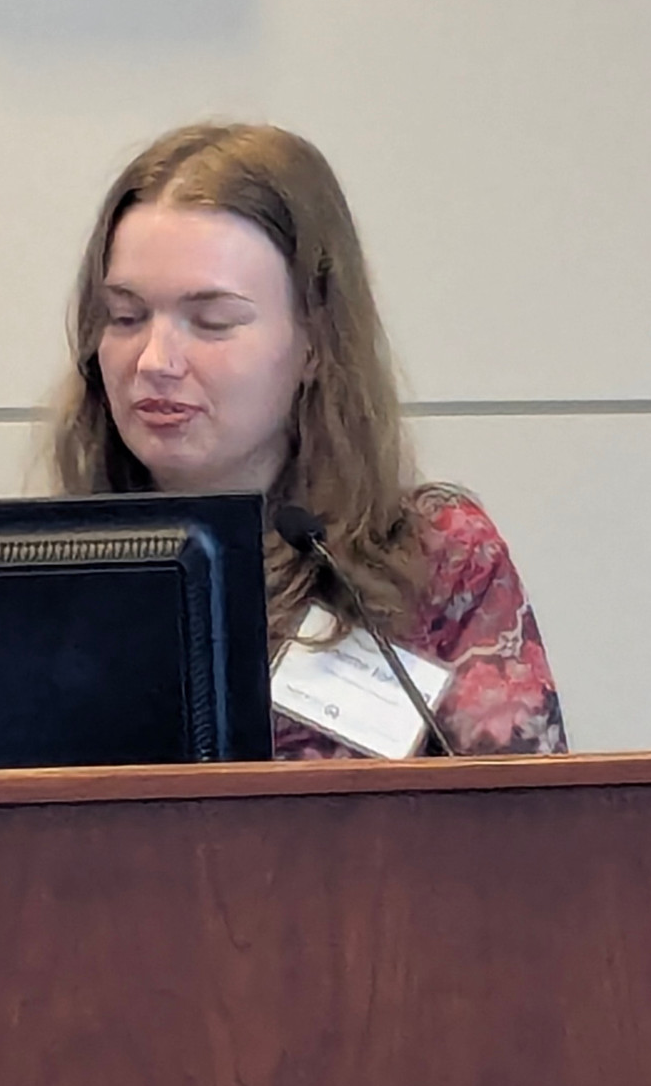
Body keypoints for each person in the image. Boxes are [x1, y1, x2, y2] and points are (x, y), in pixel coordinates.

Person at [50, 122, 566, 758]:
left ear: (315, 342)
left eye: (212, 322)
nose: (155, 360)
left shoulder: (438, 562)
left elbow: (526, 813)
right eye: (126, 317)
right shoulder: (42, 575)